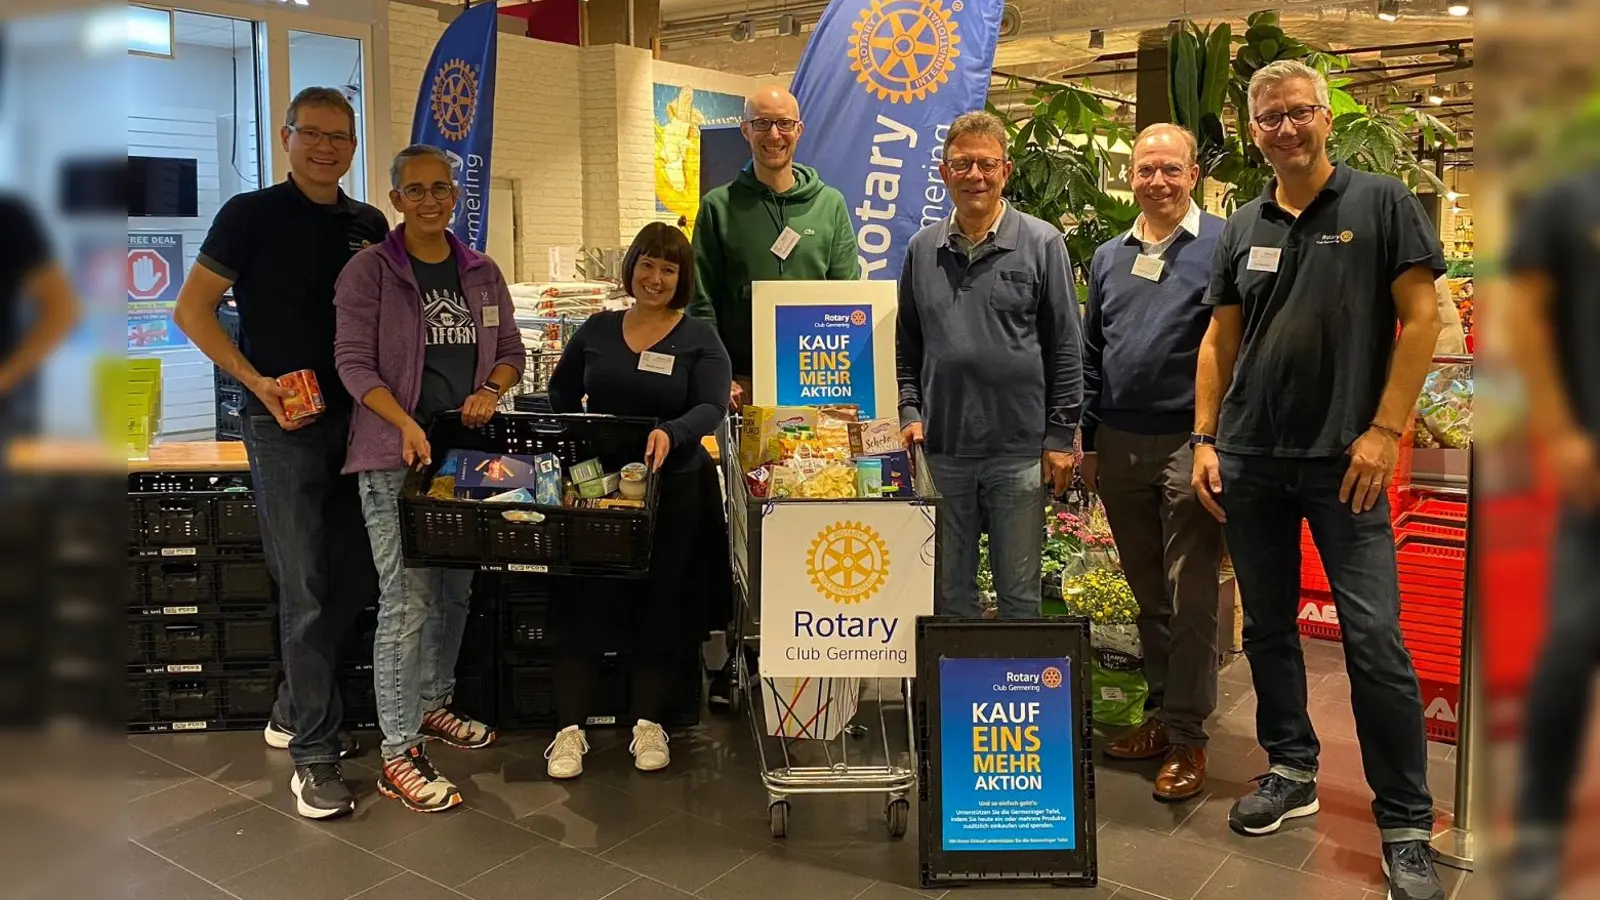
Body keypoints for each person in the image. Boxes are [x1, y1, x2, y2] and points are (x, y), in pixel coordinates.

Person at [1191, 61, 1445, 900]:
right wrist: (1205, 435)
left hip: (1348, 464)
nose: (1285, 129)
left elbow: (1422, 320)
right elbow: (1220, 341)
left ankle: (1406, 823)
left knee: (1376, 643)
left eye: (1298, 113)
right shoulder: (1243, 223)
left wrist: (1384, 430)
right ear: (1254, 130)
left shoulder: (1380, 204)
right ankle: (1291, 767)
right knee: (1266, 626)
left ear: (1325, 117)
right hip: (1252, 456)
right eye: (1269, 118)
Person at [173, 86, 389, 820]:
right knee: (303, 589)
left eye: (340, 138)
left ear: (354, 148)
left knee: (354, 579)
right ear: (287, 138)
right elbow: (191, 310)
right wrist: (254, 382)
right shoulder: (249, 216)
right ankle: (315, 758)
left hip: (360, 424)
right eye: (313, 134)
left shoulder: (368, 223)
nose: (326, 148)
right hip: (284, 423)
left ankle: (296, 705)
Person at [332, 145, 523, 813]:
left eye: (441, 188)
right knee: (406, 598)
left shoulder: (480, 271)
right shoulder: (370, 272)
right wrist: (404, 424)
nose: (432, 200)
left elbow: (510, 352)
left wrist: (491, 392)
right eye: (417, 190)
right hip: (393, 456)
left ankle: (434, 702)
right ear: (396, 200)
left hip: (465, 457)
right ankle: (397, 750)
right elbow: (354, 366)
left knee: (454, 590)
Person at [544, 222, 732, 779]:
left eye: (668, 269)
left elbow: (711, 406)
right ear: (631, 269)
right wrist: (573, 436)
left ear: (683, 278)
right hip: (596, 490)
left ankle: (648, 723)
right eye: (647, 265)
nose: (655, 278)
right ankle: (569, 730)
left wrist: (672, 433)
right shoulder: (597, 329)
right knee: (582, 599)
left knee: (663, 602)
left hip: (673, 488)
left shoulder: (700, 337)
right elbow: (559, 391)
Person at [1080, 123, 1225, 802]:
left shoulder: (1222, 245)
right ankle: (1162, 715)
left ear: (1193, 174)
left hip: (1188, 443)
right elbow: (1089, 353)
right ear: (1129, 177)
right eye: (1145, 170)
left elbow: (1236, 348)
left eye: (1171, 169)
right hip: (1119, 440)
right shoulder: (1110, 256)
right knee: (1147, 593)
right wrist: (1084, 439)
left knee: (1190, 591)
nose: (1158, 181)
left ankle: (1190, 738)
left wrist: (1213, 438)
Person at [895, 110, 1083, 620]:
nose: (974, 175)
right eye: (962, 164)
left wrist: (1060, 437)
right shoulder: (921, 249)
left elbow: (1067, 345)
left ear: (1006, 170)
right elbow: (908, 345)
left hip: (1018, 450)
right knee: (950, 593)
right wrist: (910, 412)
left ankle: (1015, 693)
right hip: (944, 450)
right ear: (944, 172)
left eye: (986, 164)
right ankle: (958, 696)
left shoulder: (1043, 243)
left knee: (1020, 594)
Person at [1501, 167, 1600, 899]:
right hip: (1592, 474)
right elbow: (1527, 312)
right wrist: (1561, 431)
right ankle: (1539, 824)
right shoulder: (1573, 196)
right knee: (1568, 646)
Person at [687, 85, 860, 408]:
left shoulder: (830, 204)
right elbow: (701, 302)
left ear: (799, 130)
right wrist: (718, 374)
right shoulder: (718, 206)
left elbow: (846, 294)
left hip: (816, 381)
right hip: (742, 386)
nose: (774, 135)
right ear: (745, 130)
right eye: (762, 124)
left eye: (783, 123)